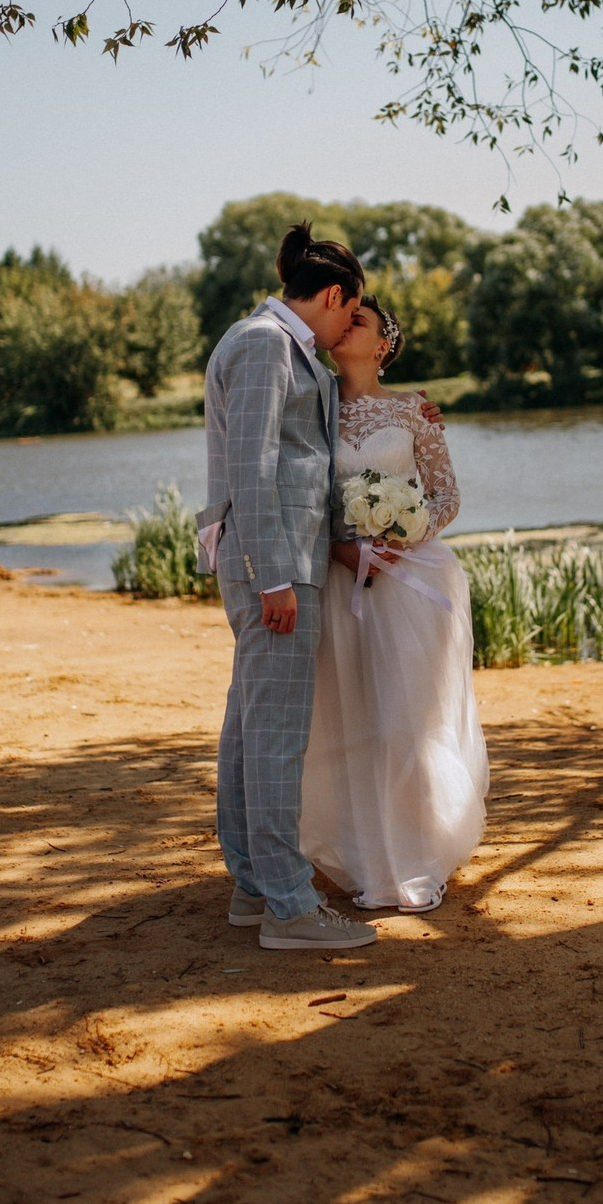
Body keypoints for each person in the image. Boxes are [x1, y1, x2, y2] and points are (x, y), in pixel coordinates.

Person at [198, 223, 379, 952]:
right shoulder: (263, 344)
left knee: (253, 727)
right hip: (272, 569)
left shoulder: (281, 347)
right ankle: (290, 909)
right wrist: (273, 576)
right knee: (275, 737)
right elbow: (251, 466)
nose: (344, 330)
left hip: (285, 563)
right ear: (333, 295)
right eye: (349, 312)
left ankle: (252, 884)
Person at [300, 295, 489, 913]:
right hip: (341, 581)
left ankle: (417, 854)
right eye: (342, 315)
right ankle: (364, 857)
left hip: (412, 584)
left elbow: (445, 496)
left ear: (384, 343)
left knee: (407, 721)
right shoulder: (312, 405)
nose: (345, 323)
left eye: (360, 320)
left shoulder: (414, 411)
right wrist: (342, 544)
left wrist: (400, 536)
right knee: (353, 720)